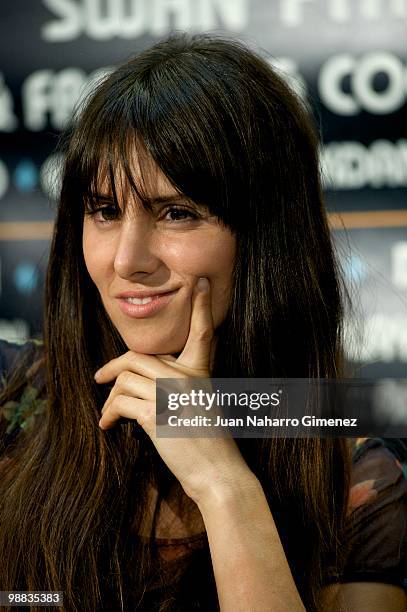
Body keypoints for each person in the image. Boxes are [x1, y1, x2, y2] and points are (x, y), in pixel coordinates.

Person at [0, 33, 406, 612]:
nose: (127, 260)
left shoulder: (354, 472)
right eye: (105, 211)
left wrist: (223, 485)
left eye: (176, 213)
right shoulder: (14, 398)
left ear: (266, 238)